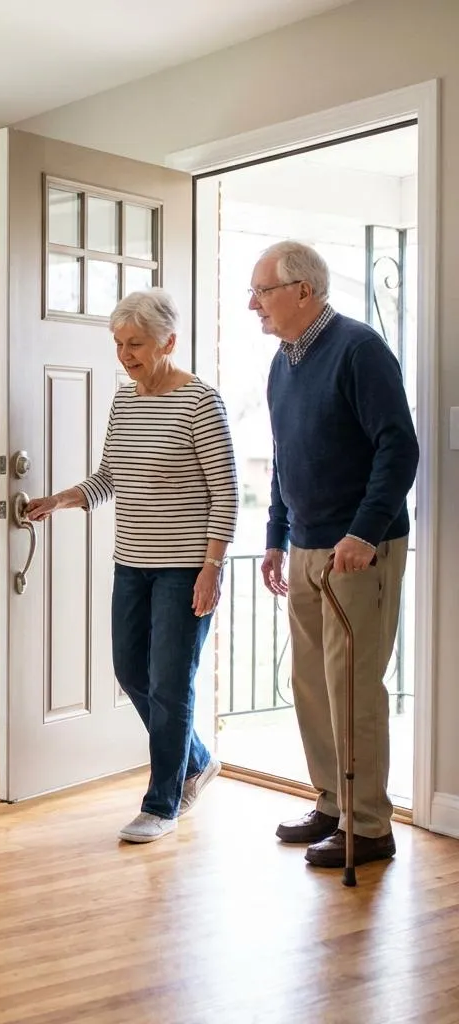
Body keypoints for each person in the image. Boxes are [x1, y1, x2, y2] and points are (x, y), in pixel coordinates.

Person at [26, 288, 238, 844]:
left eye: (137, 344)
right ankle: (195, 760)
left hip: (186, 567)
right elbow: (108, 478)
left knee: (170, 685)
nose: (126, 355)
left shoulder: (200, 403)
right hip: (132, 563)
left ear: (168, 341)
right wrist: (60, 499)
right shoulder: (125, 402)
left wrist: (212, 567)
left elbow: (226, 493)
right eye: (119, 344)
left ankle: (162, 803)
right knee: (130, 673)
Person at [252, 240, 418, 868]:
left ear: (304, 291)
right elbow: (283, 459)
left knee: (351, 687)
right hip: (304, 543)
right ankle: (332, 802)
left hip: (358, 549)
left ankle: (369, 825)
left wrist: (364, 532)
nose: (253, 305)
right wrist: (274, 535)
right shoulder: (282, 362)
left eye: (262, 291)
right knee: (311, 686)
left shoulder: (359, 350)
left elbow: (398, 448)